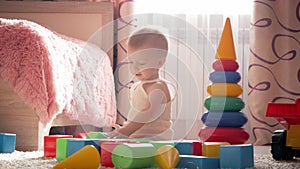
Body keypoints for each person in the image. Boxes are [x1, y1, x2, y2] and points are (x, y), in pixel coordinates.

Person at [110, 27, 176, 140]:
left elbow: (147, 114)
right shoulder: (138, 86)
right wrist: (124, 127)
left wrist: (126, 131)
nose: (134, 67)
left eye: (141, 63)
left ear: (160, 62)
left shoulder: (158, 87)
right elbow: (137, 116)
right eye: (131, 62)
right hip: (139, 137)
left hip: (156, 140)